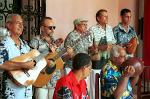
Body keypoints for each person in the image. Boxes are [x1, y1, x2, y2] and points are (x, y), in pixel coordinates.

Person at [29, 17, 71, 99]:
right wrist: (45, 61)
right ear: (42, 28)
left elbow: (61, 59)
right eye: (50, 27)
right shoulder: (35, 41)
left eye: (54, 27)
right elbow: (31, 59)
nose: (53, 30)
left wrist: (68, 54)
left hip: (55, 80)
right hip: (41, 78)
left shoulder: (56, 41)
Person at [0, 14, 36, 99]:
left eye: (22, 23)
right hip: (11, 93)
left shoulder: (25, 44)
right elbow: (1, 64)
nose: (21, 26)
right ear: (8, 25)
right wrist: (24, 65)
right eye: (18, 23)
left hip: (27, 92)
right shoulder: (3, 44)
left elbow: (32, 62)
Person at [88, 9, 116, 99]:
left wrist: (110, 46)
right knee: (95, 86)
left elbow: (113, 43)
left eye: (107, 15)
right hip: (96, 62)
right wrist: (100, 47)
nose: (107, 17)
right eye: (104, 16)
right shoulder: (92, 29)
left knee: (106, 84)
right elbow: (88, 48)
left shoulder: (109, 28)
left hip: (108, 62)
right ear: (98, 18)